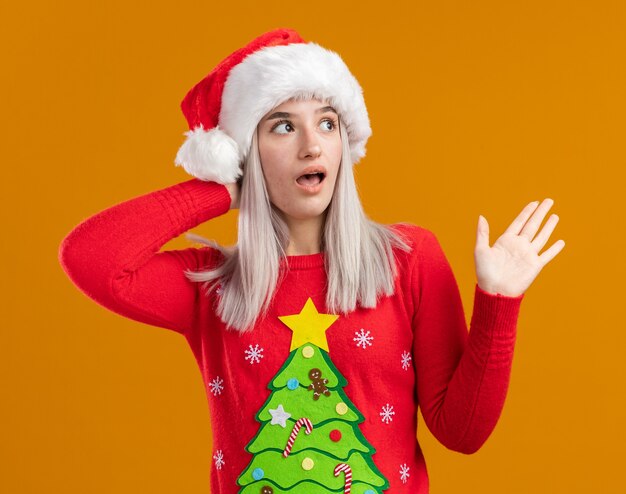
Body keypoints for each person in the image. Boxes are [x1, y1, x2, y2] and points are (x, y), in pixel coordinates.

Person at [58, 28, 565, 494]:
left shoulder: (408, 260)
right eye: (282, 126)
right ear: (246, 153)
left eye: (326, 122)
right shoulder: (211, 288)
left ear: (344, 143)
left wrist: (499, 303)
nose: (311, 144)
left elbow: (462, 432)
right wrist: (223, 189)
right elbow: (91, 258)